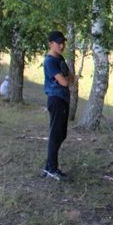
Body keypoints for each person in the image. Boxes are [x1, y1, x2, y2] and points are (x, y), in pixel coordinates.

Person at [42, 30, 74, 181]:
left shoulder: (60, 58)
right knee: (56, 134)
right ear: (50, 44)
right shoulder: (49, 61)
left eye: (63, 43)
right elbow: (65, 81)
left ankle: (49, 165)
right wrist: (69, 77)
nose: (61, 46)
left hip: (63, 99)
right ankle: (52, 168)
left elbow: (69, 77)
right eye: (58, 43)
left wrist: (69, 77)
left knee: (61, 134)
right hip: (56, 99)